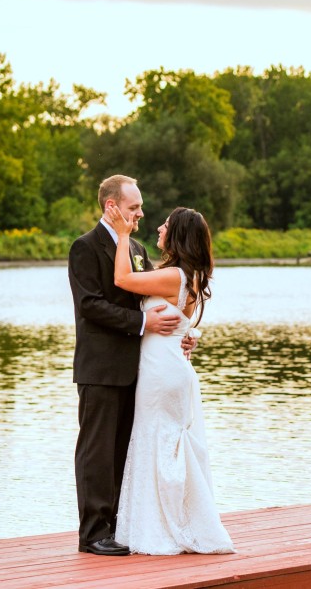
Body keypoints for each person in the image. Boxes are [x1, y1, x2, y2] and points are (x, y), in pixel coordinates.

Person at [67, 175, 195, 556]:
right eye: (133, 207)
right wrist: (144, 324)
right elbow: (90, 305)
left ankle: (116, 527)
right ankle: (92, 534)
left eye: (139, 207)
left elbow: (157, 297)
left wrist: (183, 333)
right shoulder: (85, 248)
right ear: (112, 207)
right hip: (100, 368)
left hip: (139, 371)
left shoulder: (136, 248)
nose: (140, 213)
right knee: (97, 451)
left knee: (122, 449)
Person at [106, 203, 235, 555]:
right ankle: (174, 518)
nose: (159, 229)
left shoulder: (175, 276)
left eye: (165, 225)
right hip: (169, 366)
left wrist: (121, 235)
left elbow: (122, 280)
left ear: (177, 235)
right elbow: (179, 321)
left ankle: (168, 524)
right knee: (162, 440)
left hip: (161, 372)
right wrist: (189, 335)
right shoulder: (187, 276)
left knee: (156, 440)